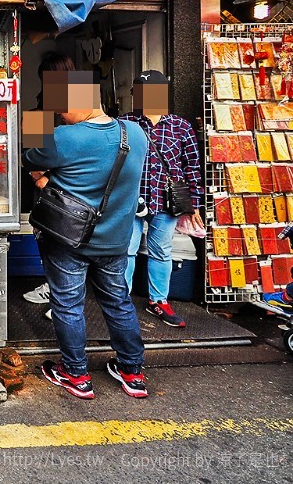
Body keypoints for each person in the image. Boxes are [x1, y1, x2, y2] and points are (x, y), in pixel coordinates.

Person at [23, 70, 149, 399]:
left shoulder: (67, 138)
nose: (61, 115)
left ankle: (76, 375)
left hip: (69, 240)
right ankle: (132, 372)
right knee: (118, 302)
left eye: (61, 108)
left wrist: (41, 178)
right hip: (116, 240)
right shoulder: (136, 134)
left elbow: (30, 155)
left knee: (68, 304)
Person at [121, 70, 204, 329]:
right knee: (126, 250)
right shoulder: (124, 123)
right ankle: (120, 301)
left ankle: (158, 300)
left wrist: (195, 205)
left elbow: (192, 167)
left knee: (161, 251)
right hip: (131, 200)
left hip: (167, 201)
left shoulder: (181, 126)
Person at [22, 51, 76, 314]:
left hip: (64, 190)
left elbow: (79, 154)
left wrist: (47, 176)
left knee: (61, 241)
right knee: (47, 237)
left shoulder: (77, 109)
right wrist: (38, 174)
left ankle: (60, 294)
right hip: (49, 190)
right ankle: (56, 289)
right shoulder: (41, 107)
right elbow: (32, 156)